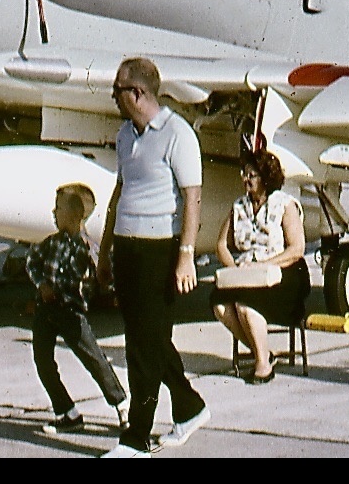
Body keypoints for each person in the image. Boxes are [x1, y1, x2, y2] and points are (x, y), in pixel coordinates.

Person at [97, 57, 208, 458]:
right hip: (127, 248)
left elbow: (193, 198)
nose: (114, 97)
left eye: (118, 90)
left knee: (144, 346)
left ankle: (136, 438)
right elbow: (118, 193)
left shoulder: (178, 134)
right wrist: (106, 251)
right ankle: (190, 408)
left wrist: (186, 256)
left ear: (138, 93)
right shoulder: (125, 135)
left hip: (159, 250)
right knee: (148, 339)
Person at [28, 183, 128, 435]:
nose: (53, 212)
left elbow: (85, 277)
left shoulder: (86, 248)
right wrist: (41, 284)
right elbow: (32, 261)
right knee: (43, 361)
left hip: (70, 313)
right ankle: (66, 412)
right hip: (46, 310)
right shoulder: (51, 242)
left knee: (93, 358)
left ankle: (122, 405)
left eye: (58, 207)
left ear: (74, 214)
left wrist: (56, 287)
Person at [211, 149, 310, 384]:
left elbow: (297, 249)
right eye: (244, 174)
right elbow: (221, 245)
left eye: (252, 175)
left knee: (245, 305)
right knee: (221, 306)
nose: (246, 179)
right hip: (248, 274)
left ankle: (263, 366)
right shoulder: (239, 206)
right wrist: (234, 267)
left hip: (284, 273)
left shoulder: (285, 205)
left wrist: (262, 265)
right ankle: (263, 352)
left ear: (265, 177)